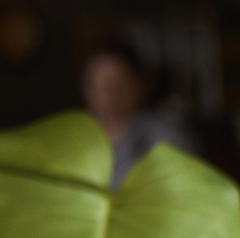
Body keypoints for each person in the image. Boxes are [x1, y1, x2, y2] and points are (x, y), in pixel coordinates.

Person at [81, 43, 195, 188]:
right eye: (98, 86)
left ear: (139, 85)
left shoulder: (168, 139)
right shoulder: (75, 142)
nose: (108, 97)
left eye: (117, 85)